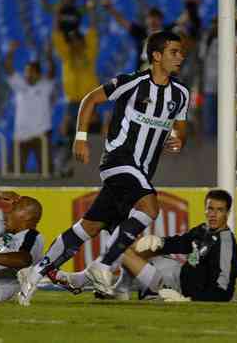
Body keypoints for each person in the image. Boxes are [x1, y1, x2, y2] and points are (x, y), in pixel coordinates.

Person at [17, 31, 189, 305]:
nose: (180, 57)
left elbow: (181, 128)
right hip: (118, 160)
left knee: (89, 227)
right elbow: (90, 100)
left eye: (180, 52)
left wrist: (178, 139)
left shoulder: (181, 93)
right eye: (174, 52)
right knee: (150, 208)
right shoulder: (131, 82)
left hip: (141, 172)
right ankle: (103, 266)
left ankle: (36, 274)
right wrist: (81, 137)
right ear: (156, 56)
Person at [55, 189, 237, 302]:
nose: (213, 214)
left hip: (179, 289)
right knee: (135, 246)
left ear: (228, 212)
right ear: (205, 209)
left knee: (123, 249)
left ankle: (88, 282)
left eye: (220, 210)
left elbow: (223, 292)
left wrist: (189, 300)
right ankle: (122, 288)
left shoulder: (226, 243)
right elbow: (182, 243)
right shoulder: (204, 229)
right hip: (177, 273)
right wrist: (159, 242)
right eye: (210, 209)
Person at [50, 0, 100, 177]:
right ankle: (65, 168)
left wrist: (92, 11)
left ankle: (92, 171)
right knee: (67, 135)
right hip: (73, 104)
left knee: (93, 136)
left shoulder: (90, 52)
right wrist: (57, 14)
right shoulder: (66, 55)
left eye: (77, 41)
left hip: (91, 102)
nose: (74, 44)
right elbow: (56, 36)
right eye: (71, 42)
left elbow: (93, 30)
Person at [101, 0, 201, 70]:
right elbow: (123, 22)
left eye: (156, 18)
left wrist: (192, 3)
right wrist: (110, 9)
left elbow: (184, 18)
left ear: (161, 20)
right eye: (150, 18)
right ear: (146, 20)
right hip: (144, 73)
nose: (153, 21)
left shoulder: (168, 31)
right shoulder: (141, 32)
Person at [4, 39, 56, 175]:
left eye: (31, 72)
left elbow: (52, 71)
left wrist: (49, 55)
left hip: (41, 134)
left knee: (46, 172)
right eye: (26, 71)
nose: (28, 74)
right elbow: (8, 70)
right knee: (15, 173)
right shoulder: (20, 85)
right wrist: (10, 52)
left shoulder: (45, 86)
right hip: (21, 135)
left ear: (39, 74)